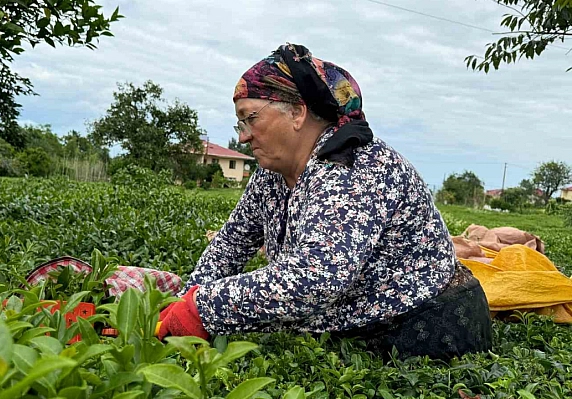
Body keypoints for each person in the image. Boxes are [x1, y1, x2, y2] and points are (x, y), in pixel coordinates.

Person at [158, 43, 492, 360]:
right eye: (240, 122)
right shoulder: (273, 171)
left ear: (297, 114)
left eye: (251, 118)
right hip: (351, 320)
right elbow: (232, 242)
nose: (243, 135)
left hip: (421, 328)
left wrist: (202, 306)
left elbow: (318, 275)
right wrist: (183, 302)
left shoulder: (353, 166)